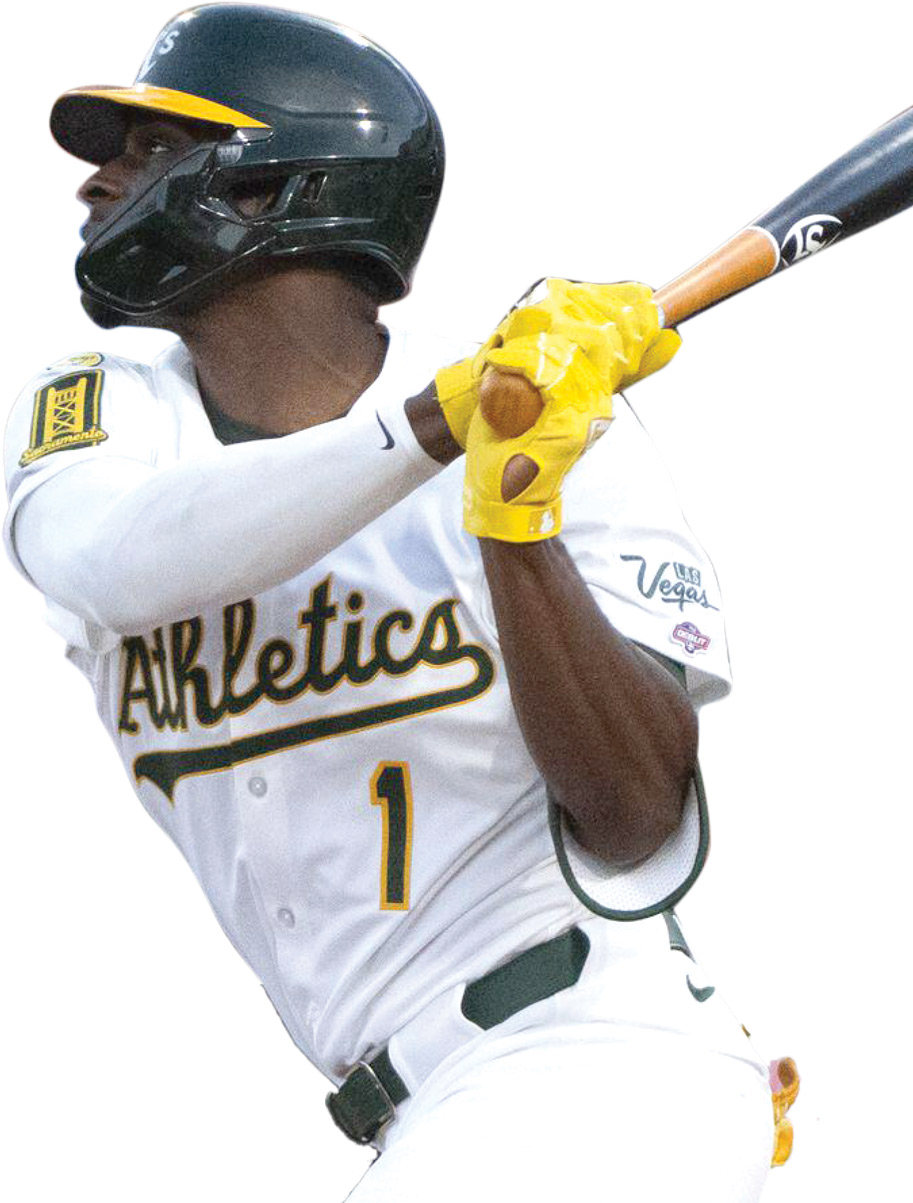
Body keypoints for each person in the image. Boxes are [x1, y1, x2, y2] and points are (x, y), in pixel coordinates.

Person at [3, 5, 794, 1199]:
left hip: (600, 1062)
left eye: (151, 147)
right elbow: (111, 558)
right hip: (421, 1113)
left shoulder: (555, 407)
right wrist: (430, 424)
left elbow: (635, 815)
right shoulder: (110, 409)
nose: (97, 183)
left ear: (278, 185)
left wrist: (514, 523)